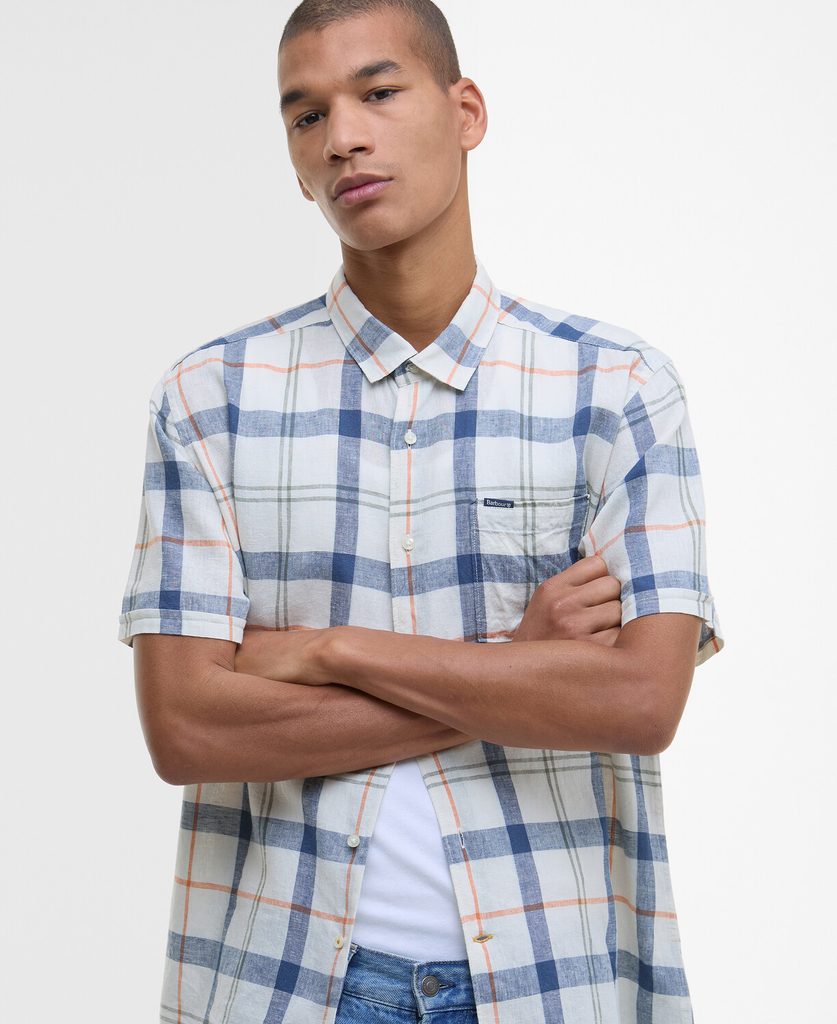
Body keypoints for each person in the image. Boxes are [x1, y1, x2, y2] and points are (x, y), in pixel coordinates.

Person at [118, 1, 724, 1021]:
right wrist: (520, 665)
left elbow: (639, 704)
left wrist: (331, 650)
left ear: (466, 111)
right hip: (294, 984)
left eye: (379, 92)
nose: (342, 137)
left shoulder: (616, 389)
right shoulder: (209, 398)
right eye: (306, 116)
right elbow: (185, 729)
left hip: (544, 980)